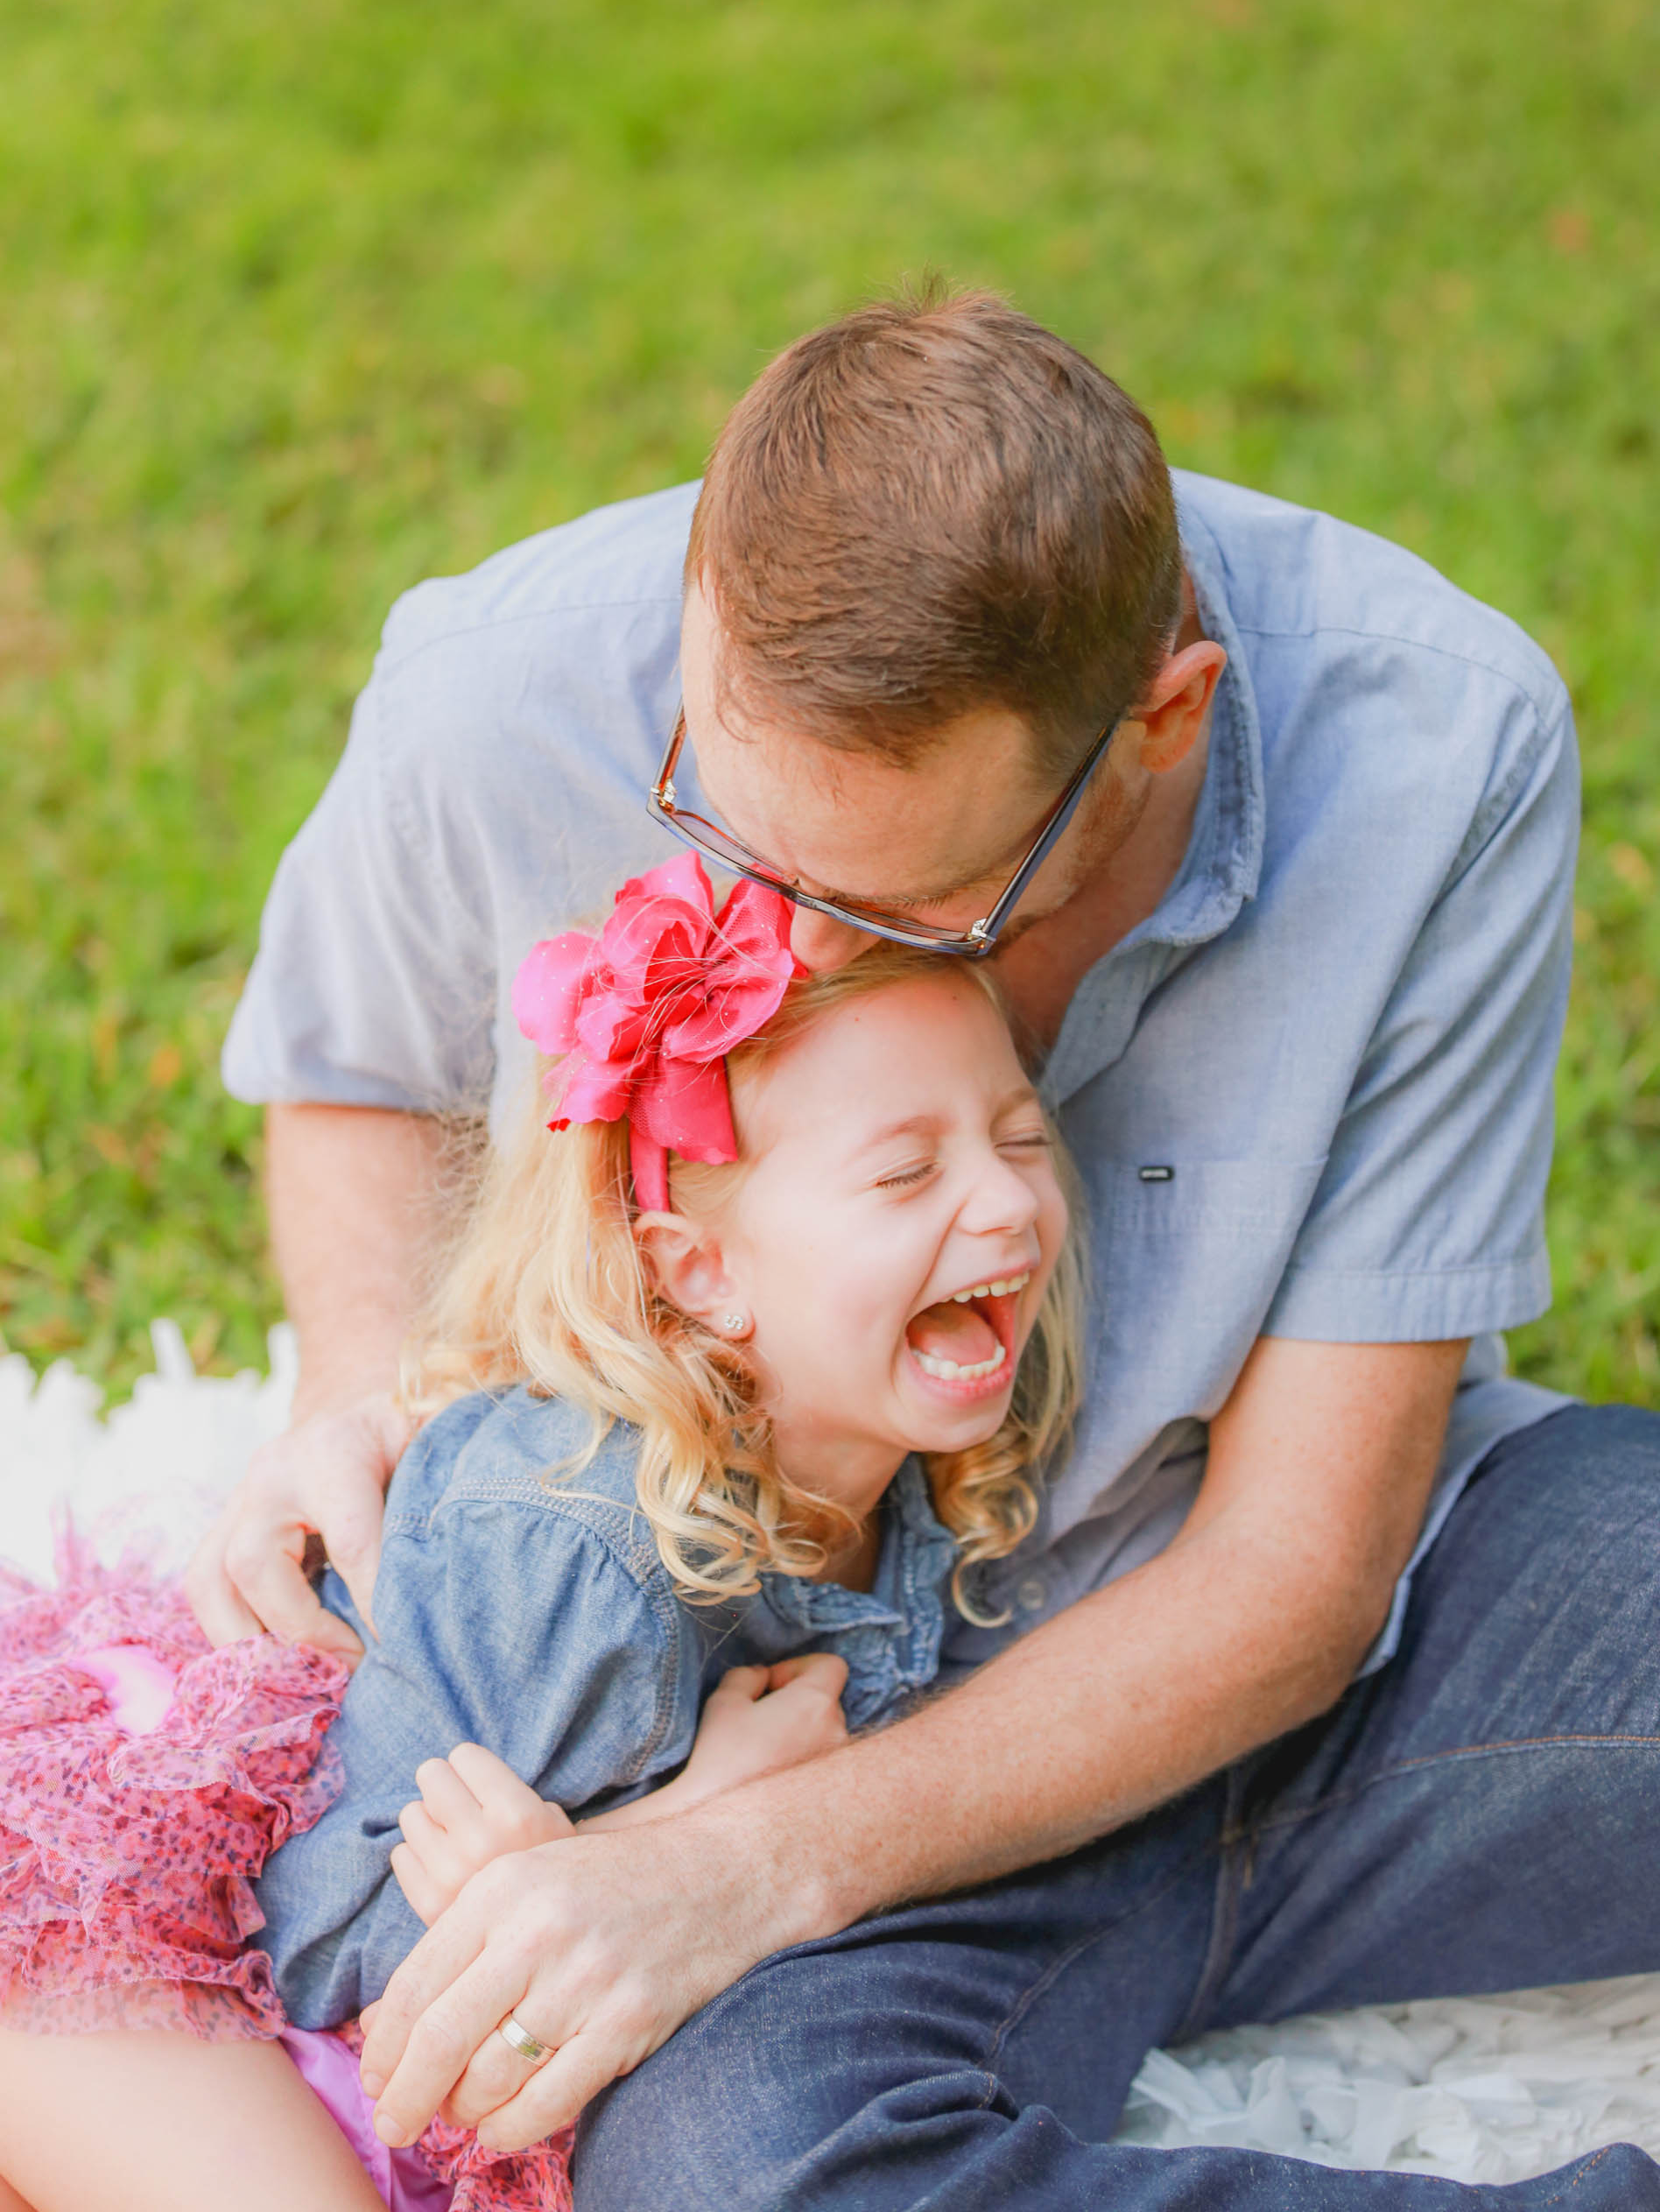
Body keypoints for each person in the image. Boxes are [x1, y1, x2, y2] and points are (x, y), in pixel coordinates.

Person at [193, 292, 1660, 2209]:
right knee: (742, 2184)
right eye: (732, 830)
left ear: (1162, 714)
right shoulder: (503, 687)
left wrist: (744, 1869)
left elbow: (1300, 1572)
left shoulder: (1435, 742)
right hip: (782, 1712)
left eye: (903, 904)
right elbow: (349, 1070)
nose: (792, 933)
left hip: (1361, 1667)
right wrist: (363, 1386)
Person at [0, 873, 1078, 2211]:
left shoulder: (892, 1486)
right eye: (908, 1171)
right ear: (700, 1273)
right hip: (113, 1952)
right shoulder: (583, 1557)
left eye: (1023, 1141)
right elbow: (308, 1936)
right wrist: (681, 1827)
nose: (1008, 1205)